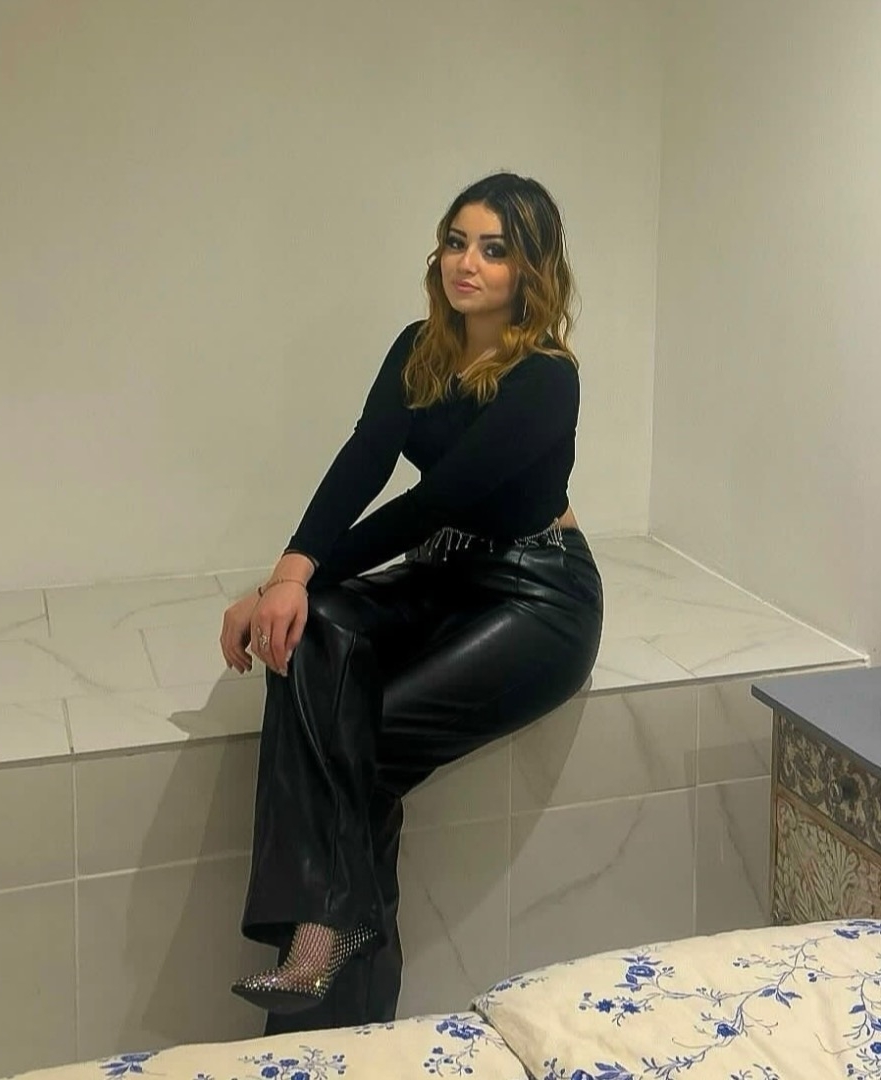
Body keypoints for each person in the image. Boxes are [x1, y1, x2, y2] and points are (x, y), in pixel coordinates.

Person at [218, 172, 603, 1033]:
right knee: (316, 636)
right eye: (457, 242)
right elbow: (366, 456)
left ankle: (324, 966)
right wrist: (293, 574)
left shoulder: (547, 378)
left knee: (354, 737)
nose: (468, 263)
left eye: (494, 250)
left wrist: (285, 582)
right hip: (446, 572)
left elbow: (435, 501)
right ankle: (336, 970)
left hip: (538, 594)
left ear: (530, 269)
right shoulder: (419, 347)